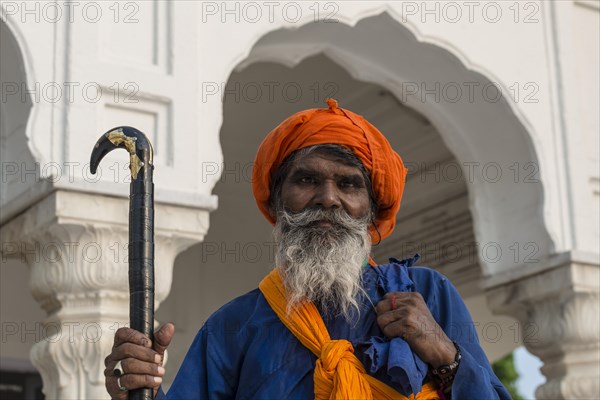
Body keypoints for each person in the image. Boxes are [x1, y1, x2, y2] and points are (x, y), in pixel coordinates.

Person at [104, 99, 511, 399]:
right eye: (306, 180)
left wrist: (444, 354)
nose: (327, 198)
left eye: (349, 184)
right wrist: (139, 392)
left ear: (371, 208)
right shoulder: (233, 327)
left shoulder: (428, 294)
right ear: (278, 202)